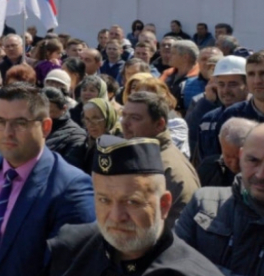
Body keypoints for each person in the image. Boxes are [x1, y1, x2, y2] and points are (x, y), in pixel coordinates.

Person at [0, 84, 94, 276]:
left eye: (20, 123)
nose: (7, 132)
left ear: (46, 127)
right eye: (0, 121)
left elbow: (71, 266)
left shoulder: (72, 188)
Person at [46, 136, 220, 275]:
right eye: (104, 200)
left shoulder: (190, 271)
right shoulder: (71, 248)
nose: (116, 216)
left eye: (132, 202)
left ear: (164, 205)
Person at [176, 122, 264, 275]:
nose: (261, 174)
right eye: (253, 160)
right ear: (241, 156)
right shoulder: (203, 203)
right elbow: (172, 264)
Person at [121, 91, 200, 229]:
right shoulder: (143, 156)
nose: (125, 123)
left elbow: (179, 231)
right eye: (124, 115)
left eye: (135, 118)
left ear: (159, 124)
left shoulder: (169, 169)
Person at [197, 116, 256, 188]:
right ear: (220, 141)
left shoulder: (261, 175)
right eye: (228, 156)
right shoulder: (209, 169)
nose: (234, 165)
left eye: (240, 158)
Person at [43, 86, 89, 171]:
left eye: (49, 111)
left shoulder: (76, 135)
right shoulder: (32, 126)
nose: (43, 116)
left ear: (64, 109)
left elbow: (70, 170)